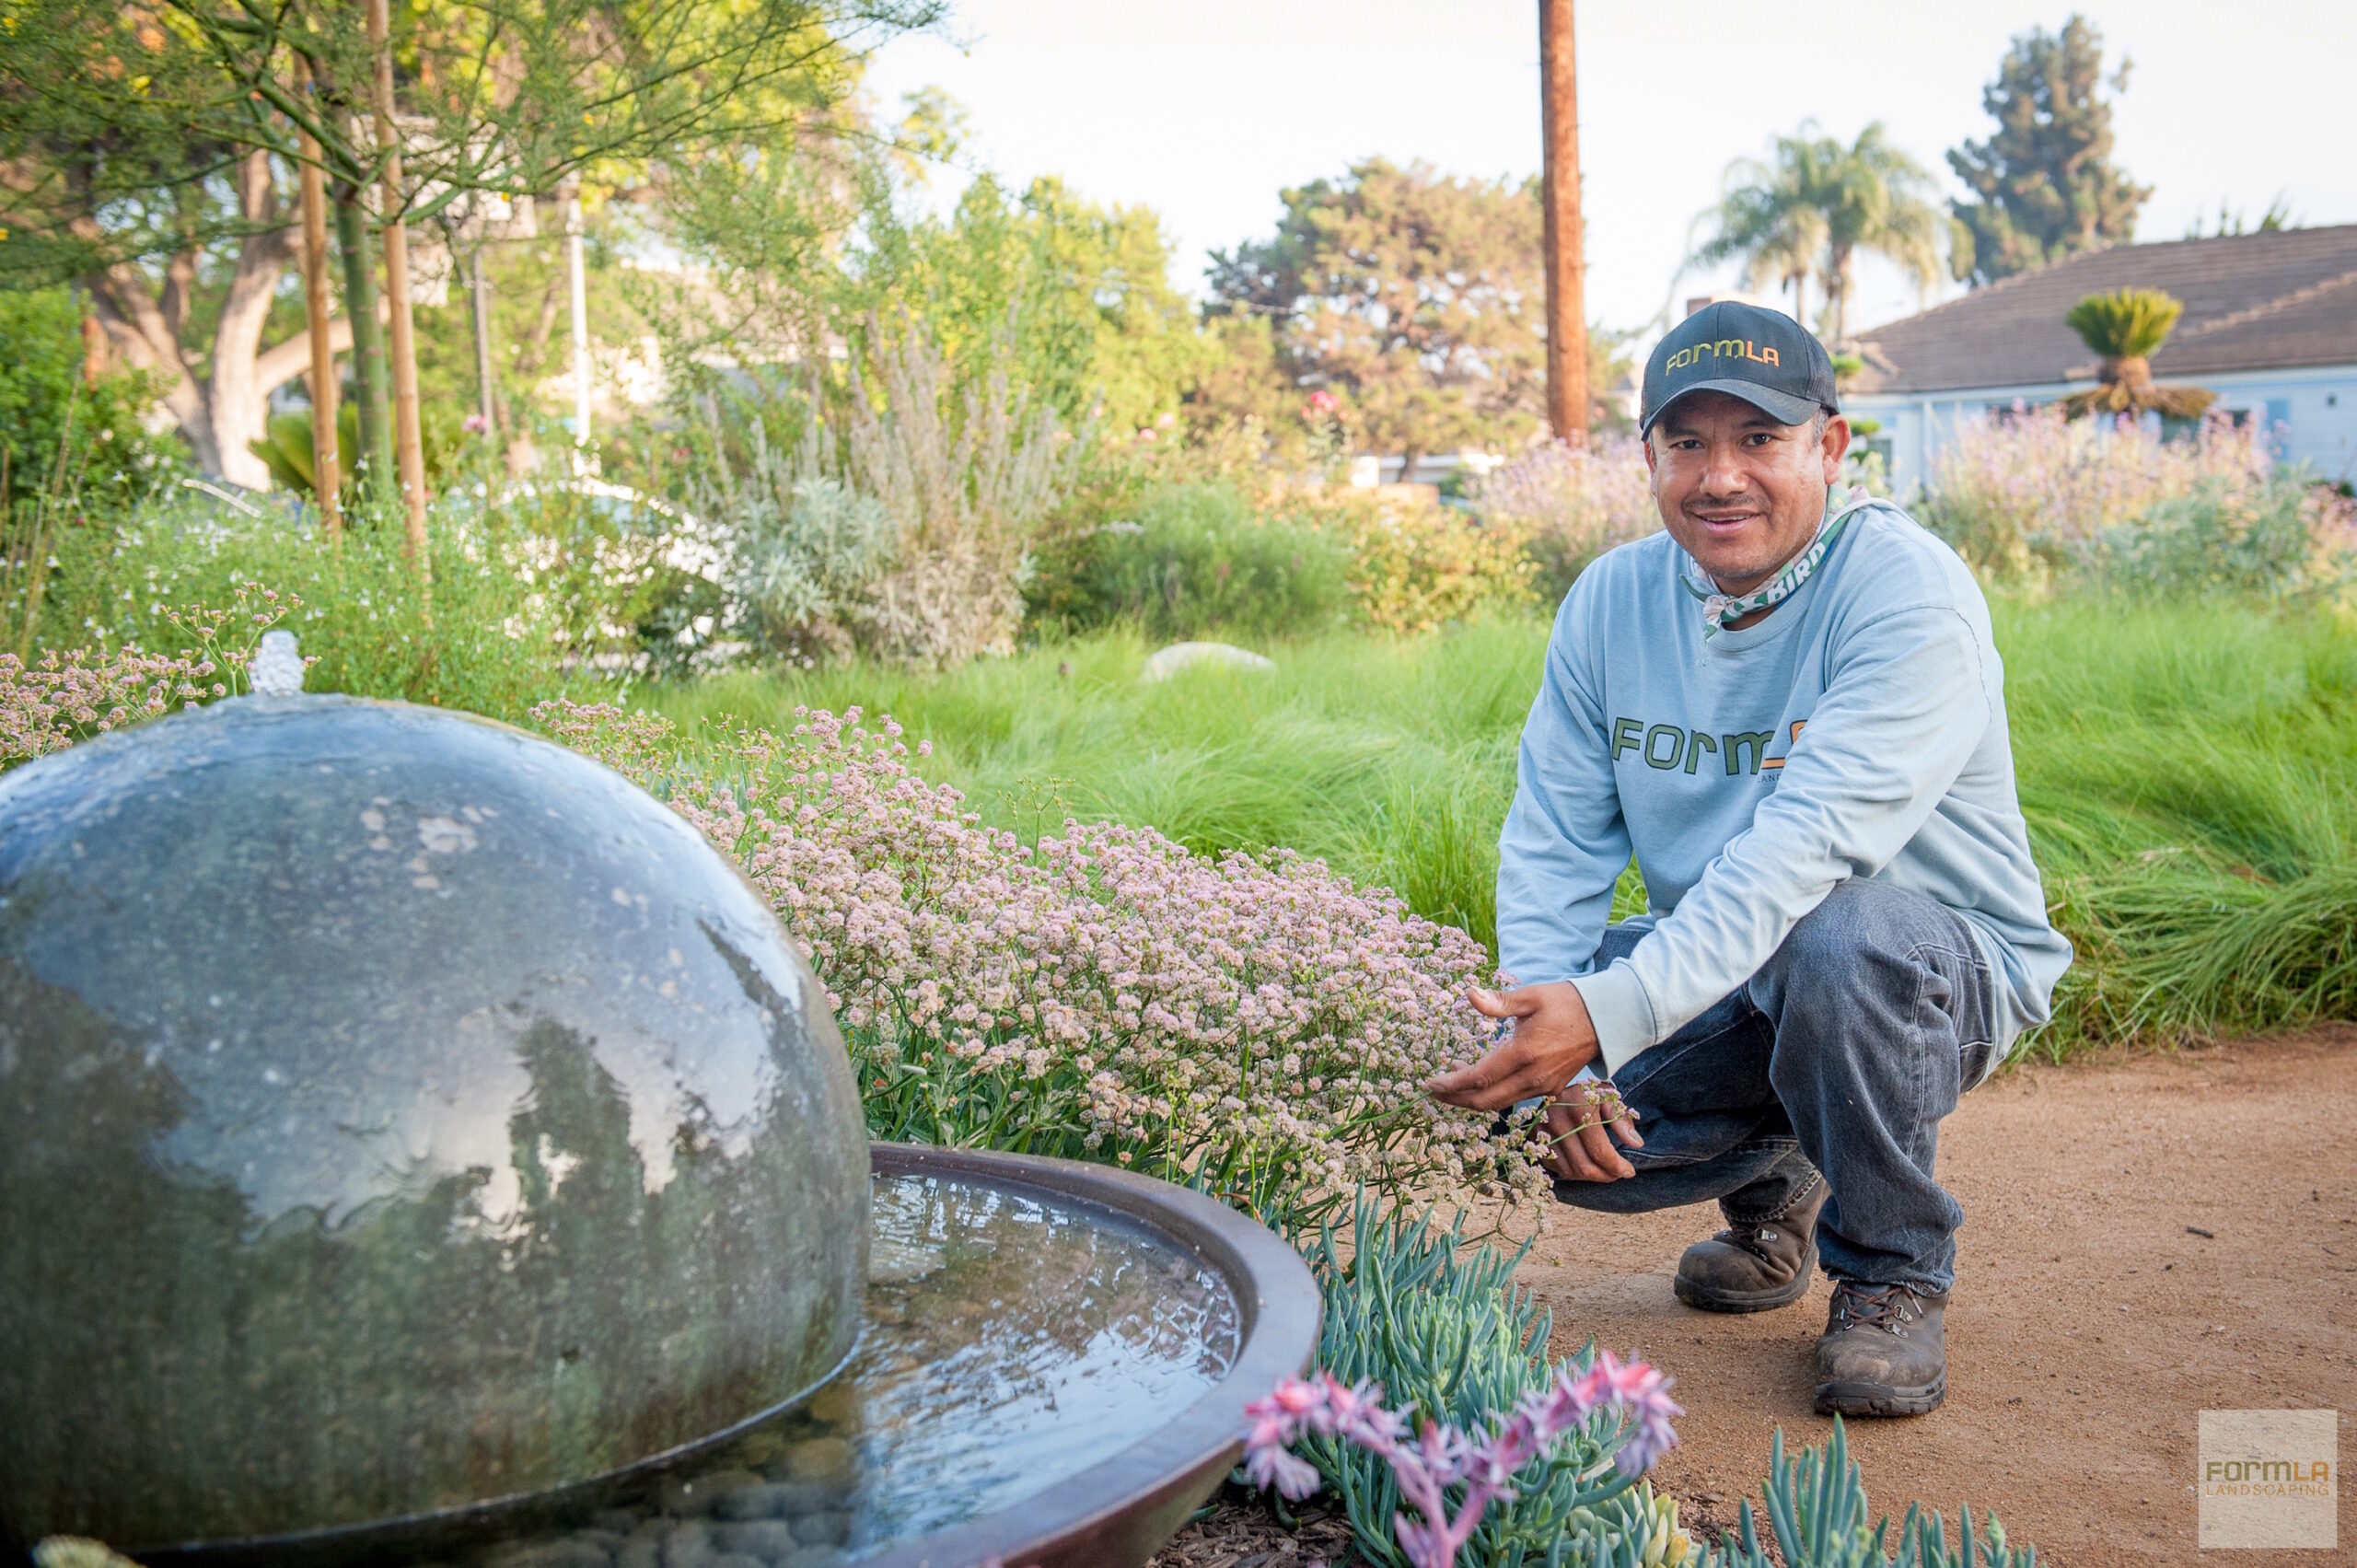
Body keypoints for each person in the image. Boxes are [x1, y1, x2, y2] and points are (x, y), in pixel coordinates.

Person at [1426, 302, 2071, 1418]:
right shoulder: (1612, 601)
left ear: (1828, 446)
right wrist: (1562, 1049)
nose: (1719, 475)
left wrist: (1612, 1007)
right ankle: (1782, 1180)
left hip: (1928, 971)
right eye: (1687, 442)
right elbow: (1554, 838)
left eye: (1757, 439)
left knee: (1837, 936)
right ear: (1649, 458)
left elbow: (1803, 854)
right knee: (1504, 1091)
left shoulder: (1906, 596)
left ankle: (1889, 1272)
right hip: (1739, 968)